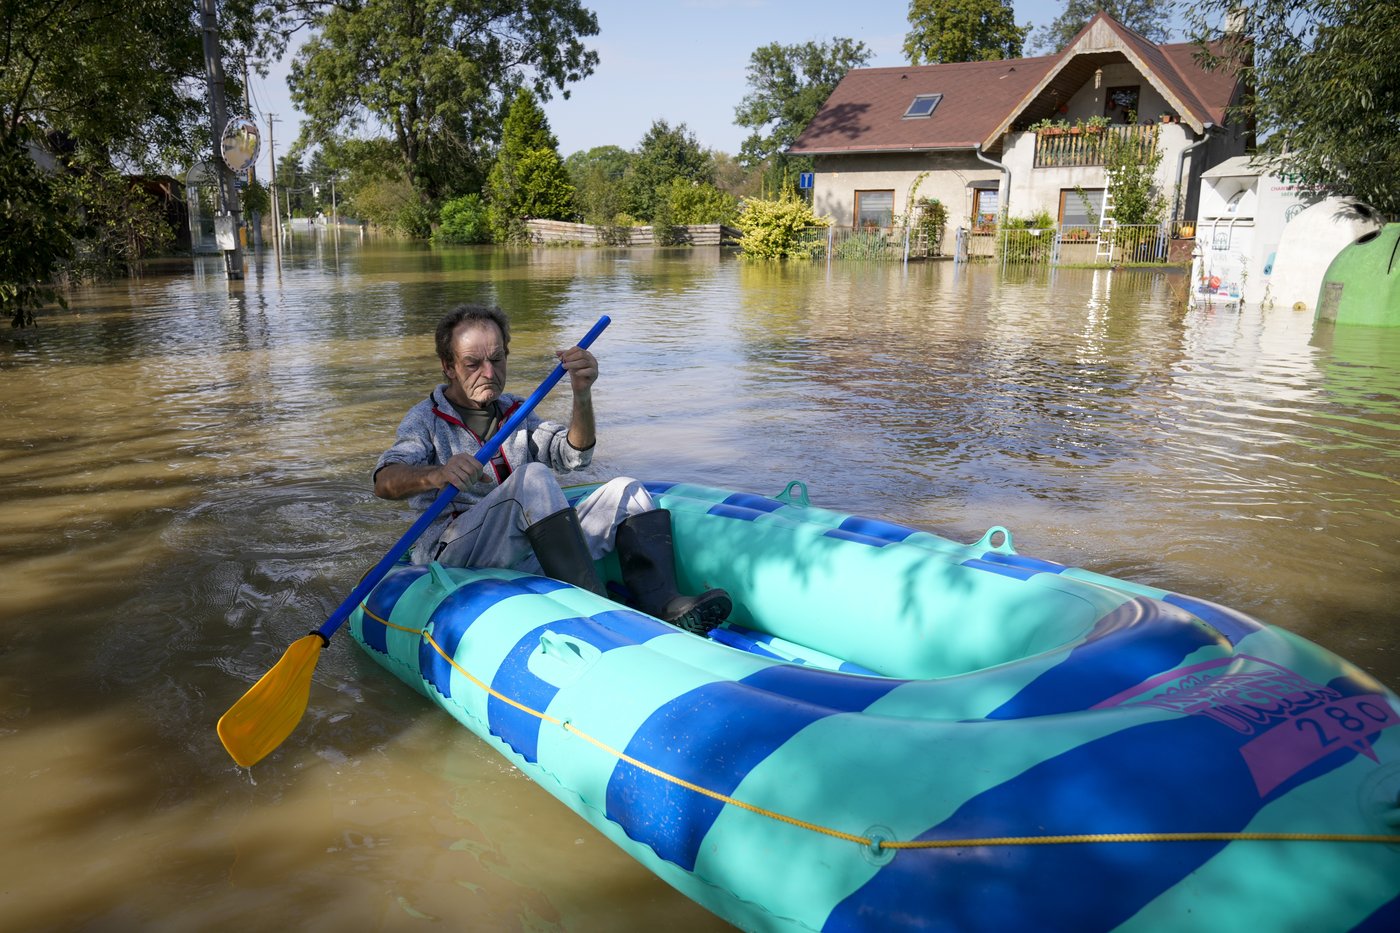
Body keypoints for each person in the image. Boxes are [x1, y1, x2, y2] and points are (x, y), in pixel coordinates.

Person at [373, 304, 730, 635]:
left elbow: (573, 455)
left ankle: (664, 604)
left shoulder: (518, 411)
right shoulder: (425, 419)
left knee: (626, 490)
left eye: (497, 359)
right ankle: (597, 611)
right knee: (532, 478)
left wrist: (582, 392)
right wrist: (435, 474)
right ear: (448, 367)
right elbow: (384, 481)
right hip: (454, 554)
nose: (489, 373)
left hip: (523, 546)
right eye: (472, 363)